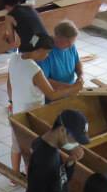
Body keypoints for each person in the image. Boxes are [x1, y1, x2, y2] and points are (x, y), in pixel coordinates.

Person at [9, 34, 84, 176]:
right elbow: (52, 94)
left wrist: (11, 100)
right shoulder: (34, 70)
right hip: (32, 113)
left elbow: (11, 82)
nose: (47, 56)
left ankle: (13, 175)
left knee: (17, 145)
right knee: (32, 147)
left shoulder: (14, 58)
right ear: (38, 50)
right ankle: (31, 175)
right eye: (47, 52)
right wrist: (74, 89)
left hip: (17, 110)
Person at [37, 20, 82, 89]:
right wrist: (69, 87)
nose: (70, 45)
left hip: (69, 88)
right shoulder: (45, 52)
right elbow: (44, 80)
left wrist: (80, 75)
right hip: (54, 91)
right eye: (68, 42)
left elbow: (77, 62)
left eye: (73, 42)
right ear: (58, 37)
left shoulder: (71, 46)